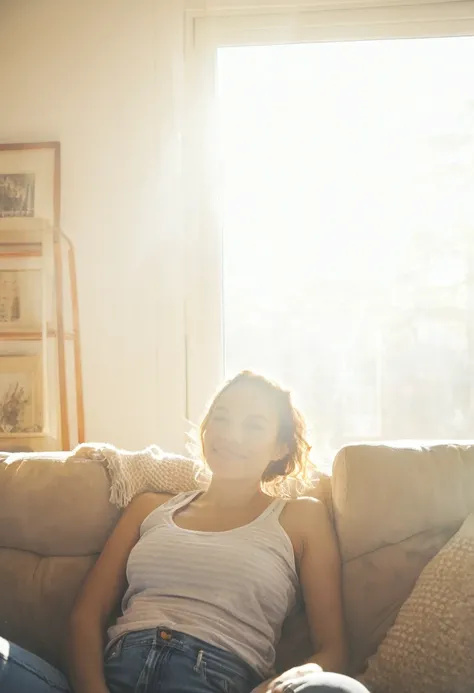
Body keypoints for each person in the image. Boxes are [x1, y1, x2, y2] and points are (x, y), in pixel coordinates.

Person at [0, 371, 369, 693]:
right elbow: (86, 616)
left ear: (280, 446)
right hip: (114, 676)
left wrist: (292, 679)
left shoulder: (301, 517)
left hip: (219, 678)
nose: (230, 435)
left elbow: (332, 648)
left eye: (253, 425)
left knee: (339, 690)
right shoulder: (149, 507)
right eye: (221, 419)